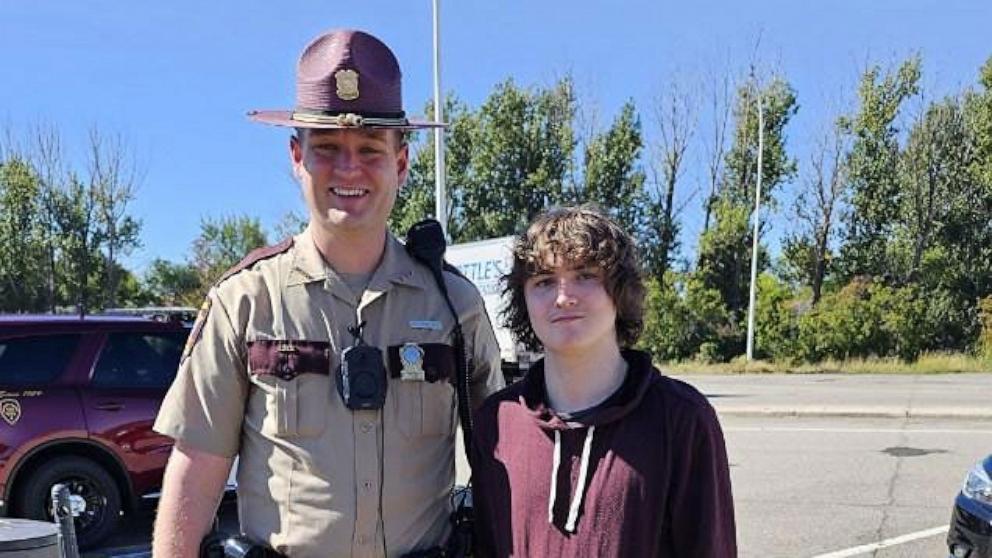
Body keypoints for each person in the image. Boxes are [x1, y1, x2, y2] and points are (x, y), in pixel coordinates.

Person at [151, 29, 503, 558]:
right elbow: (196, 464)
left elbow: (501, 460)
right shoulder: (246, 301)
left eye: (369, 149)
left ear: (402, 163)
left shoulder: (453, 305)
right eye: (328, 148)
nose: (348, 168)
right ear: (297, 157)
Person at [470, 206, 736, 557]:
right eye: (544, 281)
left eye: (585, 275)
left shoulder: (681, 418)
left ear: (620, 290)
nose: (563, 297)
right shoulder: (497, 421)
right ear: (524, 299)